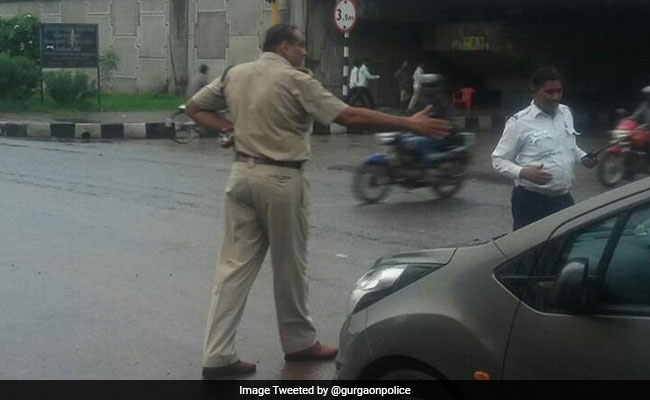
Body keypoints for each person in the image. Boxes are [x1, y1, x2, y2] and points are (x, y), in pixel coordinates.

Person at [186, 24, 450, 379]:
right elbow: (349, 115)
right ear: (284, 46)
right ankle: (299, 343)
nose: (304, 53)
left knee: (232, 270)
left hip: (241, 177)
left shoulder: (236, 74)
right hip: (281, 179)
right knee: (290, 268)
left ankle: (217, 356)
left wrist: (227, 129)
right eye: (301, 46)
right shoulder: (297, 80)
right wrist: (409, 124)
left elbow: (194, 107)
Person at [492, 66, 598, 231]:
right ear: (534, 92)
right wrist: (523, 172)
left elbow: (570, 146)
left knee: (562, 248)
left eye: (559, 91)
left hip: (563, 199)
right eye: (549, 92)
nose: (555, 97)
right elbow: (498, 159)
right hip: (530, 202)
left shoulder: (566, 113)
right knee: (528, 251)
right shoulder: (519, 122)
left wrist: (584, 157)